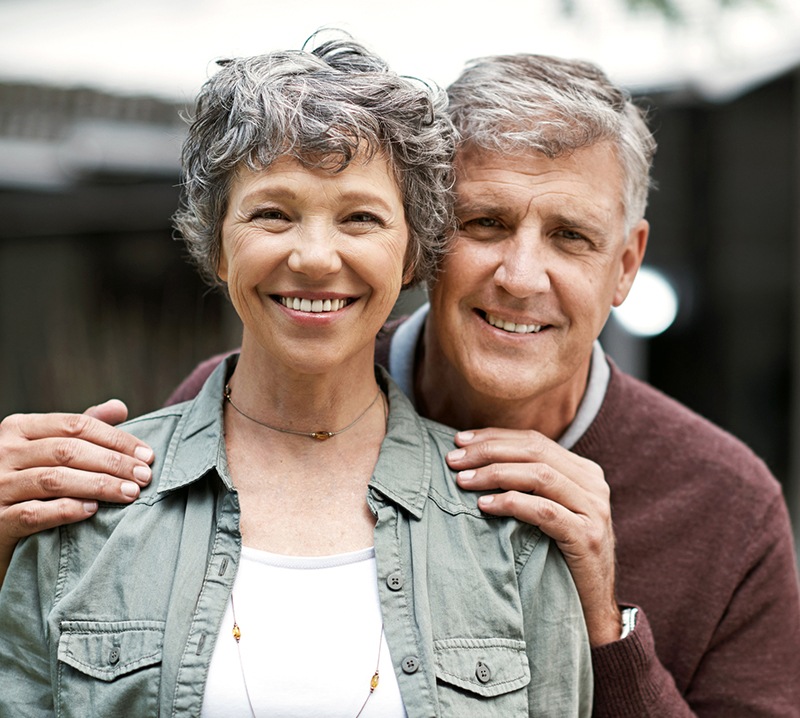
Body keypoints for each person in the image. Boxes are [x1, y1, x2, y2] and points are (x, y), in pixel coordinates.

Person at [1, 49, 799, 717]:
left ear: (626, 264)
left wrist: (606, 623)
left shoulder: (728, 504)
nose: (521, 276)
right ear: (430, 239)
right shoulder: (234, 404)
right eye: (485, 224)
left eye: (570, 236)